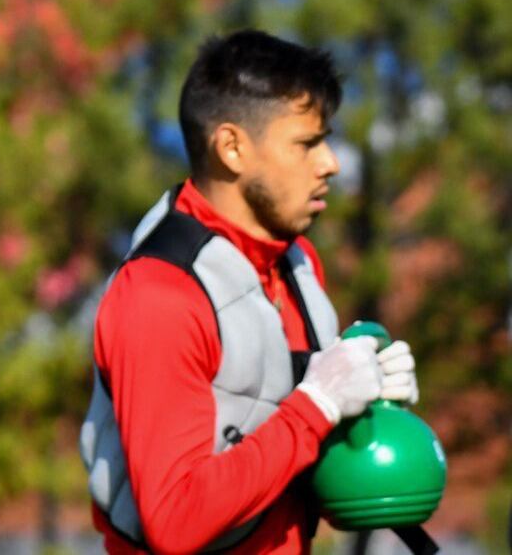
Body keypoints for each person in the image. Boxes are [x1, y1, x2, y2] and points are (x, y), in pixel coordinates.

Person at [80, 30, 420, 554]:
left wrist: (367, 409)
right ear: (232, 148)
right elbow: (174, 522)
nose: (331, 163)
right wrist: (320, 404)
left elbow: (288, 461)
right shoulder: (160, 295)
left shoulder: (296, 263)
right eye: (307, 143)